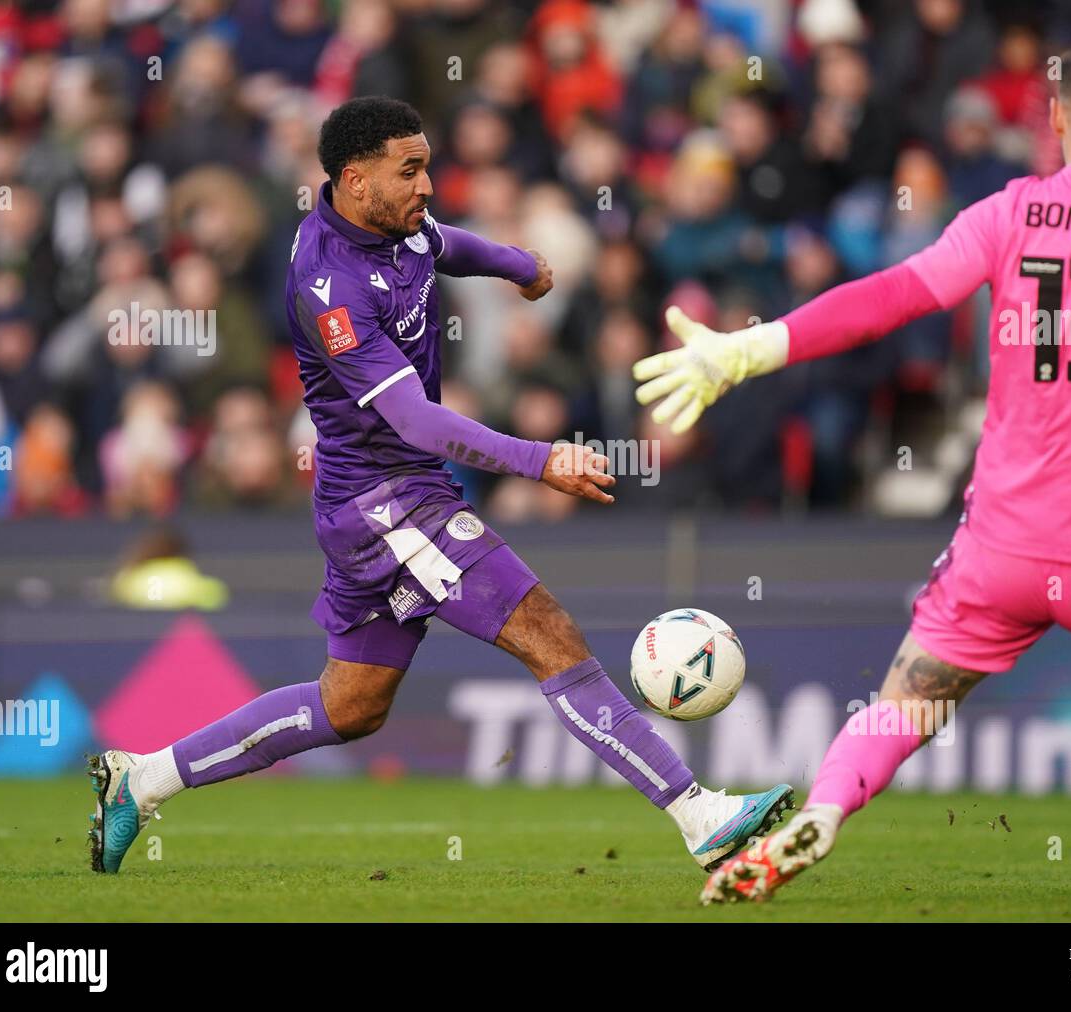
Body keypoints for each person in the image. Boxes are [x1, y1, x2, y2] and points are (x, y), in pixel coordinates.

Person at [87, 97, 791, 875]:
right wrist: (540, 460)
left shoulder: (394, 219)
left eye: (427, 165)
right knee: (549, 633)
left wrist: (516, 264)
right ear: (356, 181)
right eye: (411, 169)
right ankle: (701, 815)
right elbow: (418, 424)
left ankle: (141, 777)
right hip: (388, 503)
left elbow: (440, 243)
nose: (427, 184)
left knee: (348, 707)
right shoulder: (331, 291)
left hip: (383, 500)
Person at [633, 38, 1071, 904]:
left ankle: (824, 810)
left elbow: (888, 298)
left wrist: (749, 347)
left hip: (999, 556)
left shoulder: (1007, 212)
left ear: (1056, 117)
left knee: (906, 703)